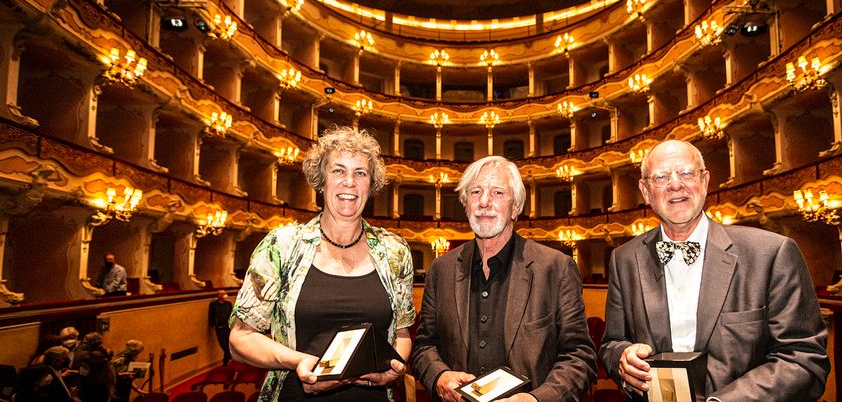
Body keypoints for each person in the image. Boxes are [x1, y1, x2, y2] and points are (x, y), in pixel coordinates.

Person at [599, 140, 830, 401]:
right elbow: (612, 343)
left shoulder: (772, 253)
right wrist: (621, 358)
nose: (675, 184)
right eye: (661, 177)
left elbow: (803, 358)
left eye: (687, 173)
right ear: (645, 190)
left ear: (705, 181)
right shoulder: (624, 259)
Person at [230, 126, 415, 401]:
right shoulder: (281, 246)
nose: (349, 182)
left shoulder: (395, 251)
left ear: (371, 184)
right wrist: (298, 361)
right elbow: (240, 340)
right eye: (338, 170)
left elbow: (402, 334)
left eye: (360, 173)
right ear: (321, 180)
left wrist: (394, 369)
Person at [412, 156, 596, 402]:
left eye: (497, 192)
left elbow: (579, 357)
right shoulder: (441, 270)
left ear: (516, 207)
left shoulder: (556, 269)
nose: (484, 202)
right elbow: (424, 346)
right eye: (476, 192)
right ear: (466, 204)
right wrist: (439, 376)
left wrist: (535, 399)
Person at [209, 290, 233, 366]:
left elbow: (231, 314)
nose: (224, 295)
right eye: (222, 294)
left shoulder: (228, 304)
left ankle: (225, 364)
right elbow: (211, 314)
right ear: (218, 295)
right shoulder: (213, 304)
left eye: (224, 294)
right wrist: (212, 325)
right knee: (224, 346)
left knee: (228, 347)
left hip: (228, 328)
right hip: (219, 328)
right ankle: (228, 362)